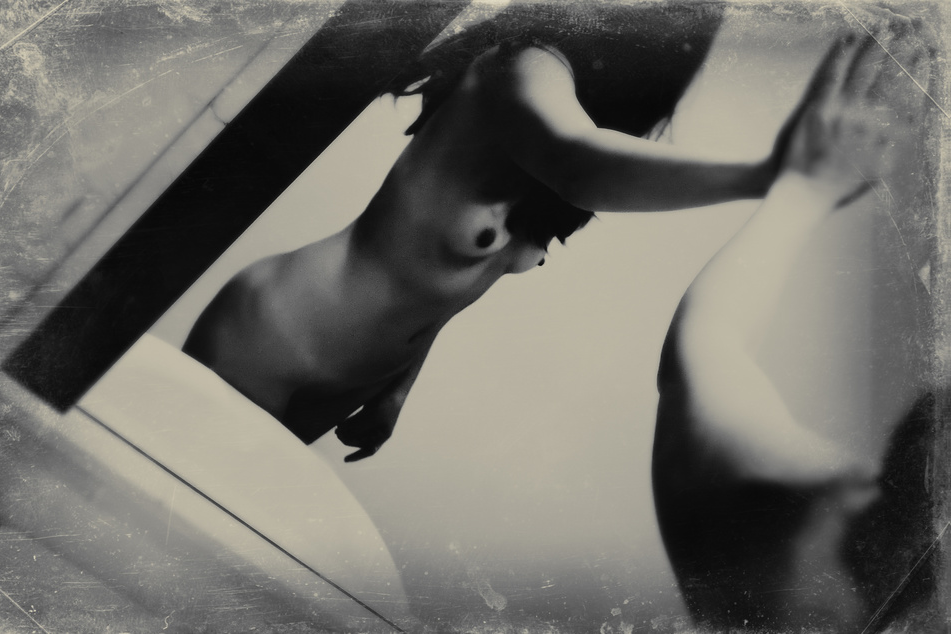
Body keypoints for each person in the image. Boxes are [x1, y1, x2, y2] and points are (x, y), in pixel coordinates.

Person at [183, 2, 790, 461]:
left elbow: (439, 284)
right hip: (278, 333)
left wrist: (398, 385)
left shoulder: (563, 117)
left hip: (358, 377)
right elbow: (575, 161)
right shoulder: (521, 61)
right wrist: (769, 174)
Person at [651, 16, 933, 630]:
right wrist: (802, 190)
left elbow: (705, 351)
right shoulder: (801, 556)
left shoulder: (794, 563)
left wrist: (803, 191)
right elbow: (707, 352)